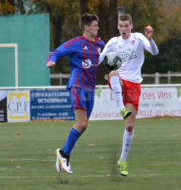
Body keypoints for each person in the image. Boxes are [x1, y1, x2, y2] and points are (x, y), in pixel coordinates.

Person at [99, 14, 159, 176]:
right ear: (118, 27)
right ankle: (121, 108)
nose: (124, 29)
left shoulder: (139, 38)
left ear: (131, 26)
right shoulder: (113, 42)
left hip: (134, 84)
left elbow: (154, 52)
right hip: (119, 80)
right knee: (114, 73)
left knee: (130, 126)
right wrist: (90, 58)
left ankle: (123, 160)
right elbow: (100, 59)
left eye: (126, 26)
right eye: (121, 26)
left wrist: (150, 39)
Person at [46, 13, 105, 174]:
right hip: (78, 86)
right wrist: (51, 60)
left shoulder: (100, 44)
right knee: (82, 124)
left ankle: (63, 153)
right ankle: (64, 155)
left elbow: (111, 55)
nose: (98, 28)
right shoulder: (76, 43)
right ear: (86, 27)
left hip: (90, 89)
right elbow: (57, 52)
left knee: (83, 126)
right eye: (95, 25)